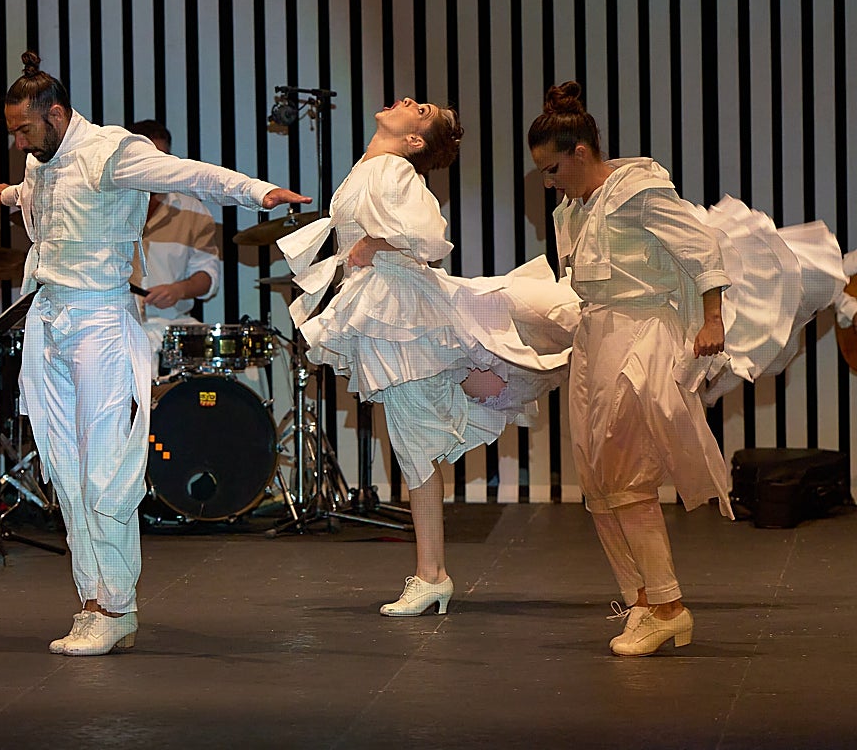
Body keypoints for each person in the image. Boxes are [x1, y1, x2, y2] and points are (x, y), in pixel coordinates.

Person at [0, 52, 309, 657]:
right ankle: (92, 601)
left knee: (104, 469)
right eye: (14, 130)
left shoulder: (112, 152)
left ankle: (117, 604)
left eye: (24, 127)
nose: (19, 139)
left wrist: (258, 192)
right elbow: (42, 196)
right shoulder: (40, 158)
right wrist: (9, 196)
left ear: (55, 113)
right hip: (48, 317)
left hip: (100, 323)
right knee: (65, 470)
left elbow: (189, 175)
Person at [527, 81, 842, 656]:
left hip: (643, 336)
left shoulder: (637, 190)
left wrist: (712, 320)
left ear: (579, 153)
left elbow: (701, 249)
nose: (549, 182)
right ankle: (642, 600)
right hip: (596, 337)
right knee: (597, 481)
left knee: (627, 473)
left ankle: (668, 605)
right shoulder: (573, 209)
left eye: (552, 169)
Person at [279, 97, 580, 619]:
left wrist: (373, 241)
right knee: (421, 435)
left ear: (415, 141)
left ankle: (432, 575)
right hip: (389, 310)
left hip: (401, 313)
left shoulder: (393, 169)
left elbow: (429, 236)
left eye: (421, 111)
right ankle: (431, 573)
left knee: (419, 439)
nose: (409, 102)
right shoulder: (369, 169)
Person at [125, 119, 223, 365]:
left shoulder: (193, 210)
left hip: (171, 326)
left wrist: (178, 290)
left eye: (163, 159)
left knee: (223, 364)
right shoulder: (102, 207)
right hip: (116, 326)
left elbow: (207, 276)